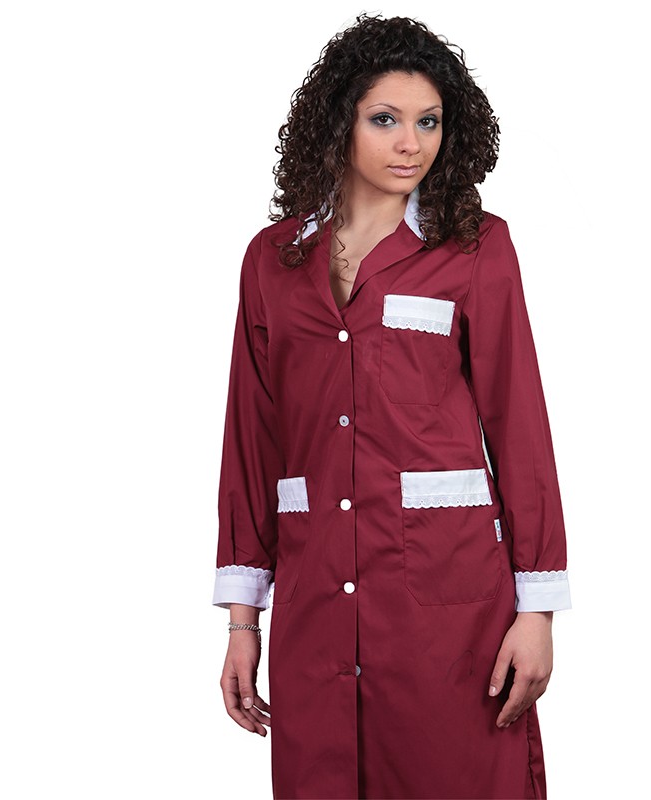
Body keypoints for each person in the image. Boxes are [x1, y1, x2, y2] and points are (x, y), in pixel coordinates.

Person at [212, 13, 571, 800]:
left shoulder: (476, 247)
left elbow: (520, 428)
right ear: (339, 122)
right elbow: (252, 441)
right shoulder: (272, 260)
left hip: (449, 610)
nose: (411, 143)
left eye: (428, 122)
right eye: (385, 119)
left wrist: (538, 610)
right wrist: (242, 620)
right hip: (314, 602)